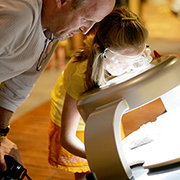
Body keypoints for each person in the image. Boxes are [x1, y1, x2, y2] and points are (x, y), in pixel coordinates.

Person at [0, 0, 116, 172]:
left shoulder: (53, 29)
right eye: (85, 18)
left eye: (94, 23)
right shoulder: (20, 15)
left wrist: (1, 135)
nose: (86, 30)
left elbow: (18, 86)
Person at [48, 6, 152, 180]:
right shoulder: (79, 75)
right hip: (76, 126)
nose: (128, 67)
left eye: (135, 59)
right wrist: (101, 157)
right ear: (99, 49)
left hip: (102, 112)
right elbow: (68, 137)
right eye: (122, 61)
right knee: (85, 170)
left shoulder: (124, 55)